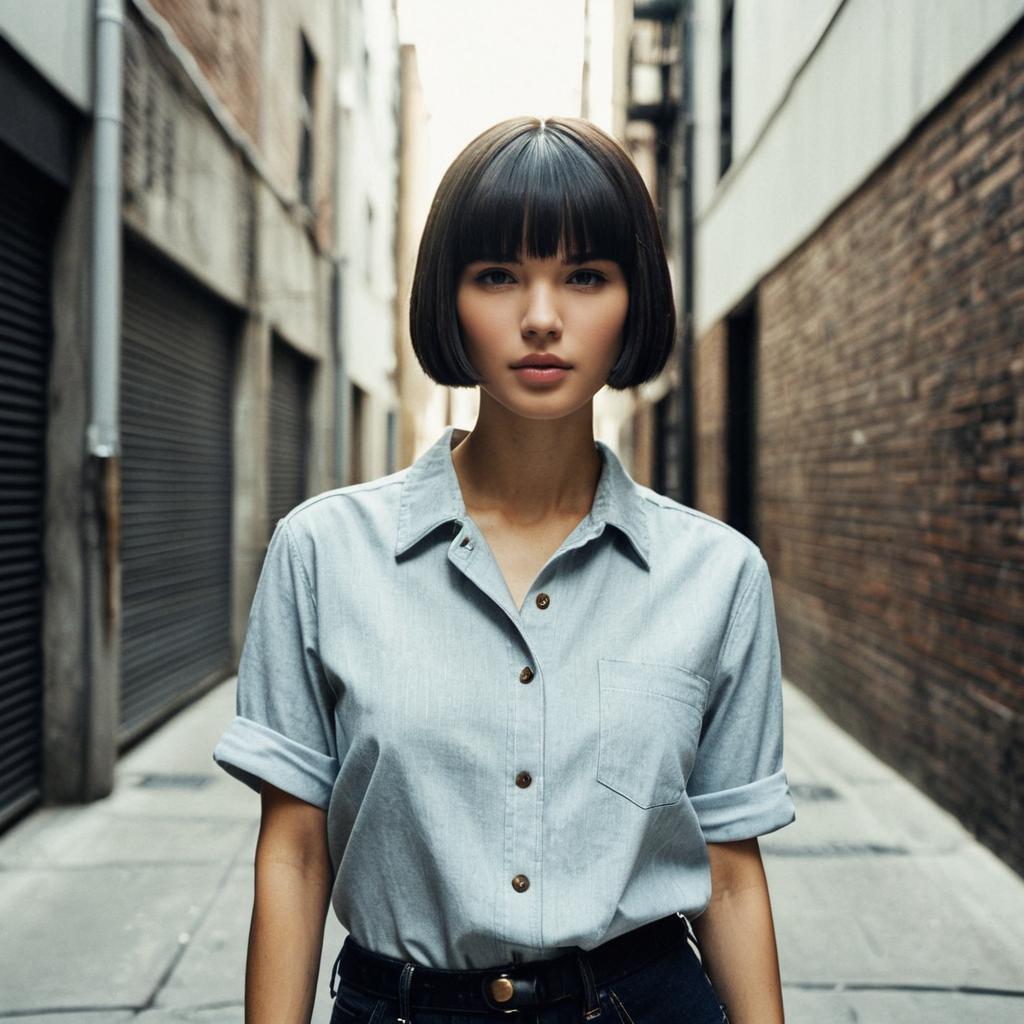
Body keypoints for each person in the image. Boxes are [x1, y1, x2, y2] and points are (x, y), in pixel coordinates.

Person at [213, 115, 796, 1024]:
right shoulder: (322, 553)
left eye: (585, 277)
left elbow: (727, 872)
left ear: (633, 302)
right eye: (498, 276)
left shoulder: (717, 576)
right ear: (448, 300)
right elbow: (293, 853)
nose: (540, 318)